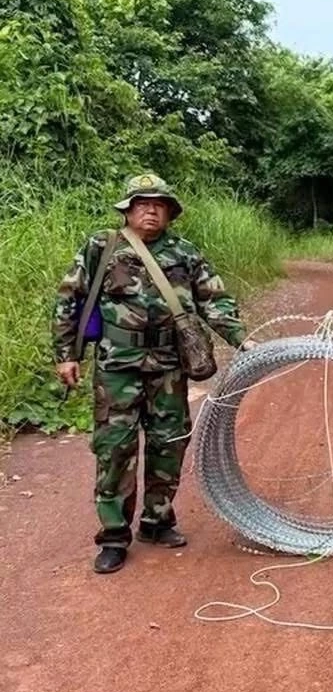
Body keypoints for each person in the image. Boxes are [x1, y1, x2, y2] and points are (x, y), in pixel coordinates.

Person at [52, 174, 253, 575]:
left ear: (169, 213)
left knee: (170, 442)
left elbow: (215, 301)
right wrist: (65, 355)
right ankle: (113, 535)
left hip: (168, 365)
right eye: (141, 203)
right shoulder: (101, 247)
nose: (150, 209)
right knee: (115, 449)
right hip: (116, 367)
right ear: (127, 209)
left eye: (158, 204)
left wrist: (242, 340)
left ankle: (157, 520)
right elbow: (69, 300)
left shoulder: (184, 253)